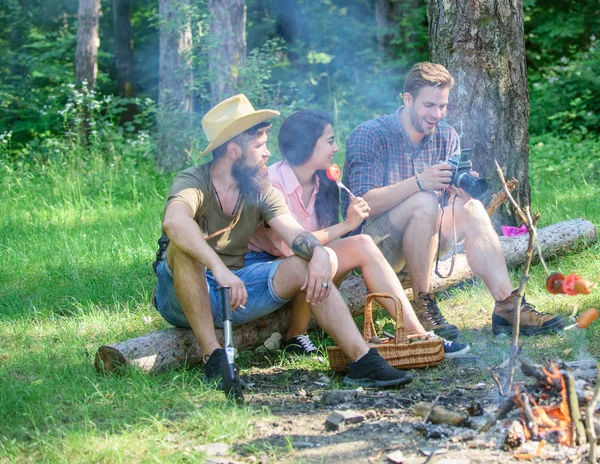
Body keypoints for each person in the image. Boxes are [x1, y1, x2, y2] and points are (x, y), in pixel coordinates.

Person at [153, 94, 412, 389]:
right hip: (181, 295)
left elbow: (292, 232)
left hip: (239, 287)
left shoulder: (260, 187)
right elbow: (174, 222)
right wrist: (217, 267)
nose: (267, 153)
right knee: (182, 249)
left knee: (306, 261)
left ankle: (362, 360)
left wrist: (318, 254)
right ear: (235, 150)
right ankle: (214, 358)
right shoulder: (192, 181)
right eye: (259, 145)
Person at [341, 62, 565, 338]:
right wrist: (420, 182)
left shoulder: (446, 136)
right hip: (375, 244)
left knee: (470, 207)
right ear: (408, 99)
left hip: (427, 237)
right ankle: (424, 305)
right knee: (423, 199)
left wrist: (459, 191)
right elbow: (363, 204)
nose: (437, 114)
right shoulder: (371, 134)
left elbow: (445, 206)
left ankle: (508, 307)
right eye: (429, 105)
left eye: (442, 106)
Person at [248, 109, 470, 359]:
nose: (335, 147)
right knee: (318, 256)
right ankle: (296, 336)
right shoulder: (272, 182)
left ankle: (417, 334)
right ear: (306, 144)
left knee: (362, 243)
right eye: (329, 141)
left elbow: (327, 241)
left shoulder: (325, 182)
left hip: (310, 263)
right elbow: (293, 247)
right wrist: (346, 225)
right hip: (270, 268)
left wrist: (349, 225)